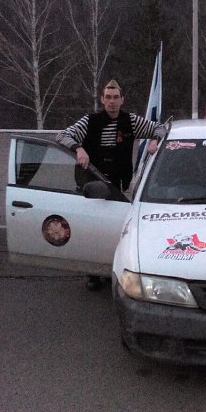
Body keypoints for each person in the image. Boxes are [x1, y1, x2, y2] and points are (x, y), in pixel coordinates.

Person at [57, 79, 165, 290]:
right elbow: (62, 135)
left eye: (116, 97)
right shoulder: (90, 121)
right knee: (91, 231)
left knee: (115, 231)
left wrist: (154, 140)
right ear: (102, 99)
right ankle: (93, 273)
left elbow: (161, 128)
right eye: (108, 97)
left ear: (122, 99)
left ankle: (110, 269)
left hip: (117, 186)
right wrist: (78, 148)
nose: (112, 101)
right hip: (91, 185)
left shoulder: (131, 121)